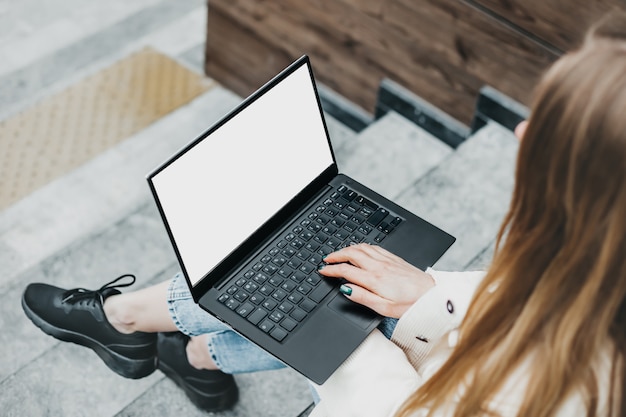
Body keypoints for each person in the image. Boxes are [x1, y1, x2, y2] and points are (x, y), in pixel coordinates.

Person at [21, 12, 626, 417]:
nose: (520, 130)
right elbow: (533, 308)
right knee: (308, 272)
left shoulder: (566, 392)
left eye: (546, 132)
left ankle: (124, 320)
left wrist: (334, 342)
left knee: (292, 280)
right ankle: (194, 355)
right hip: (448, 342)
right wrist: (429, 297)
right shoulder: (601, 287)